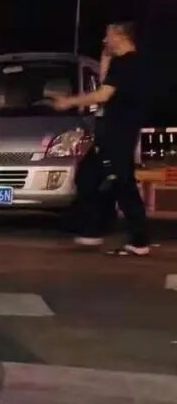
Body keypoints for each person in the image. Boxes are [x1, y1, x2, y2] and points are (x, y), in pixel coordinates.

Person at [52, 21, 153, 256]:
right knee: (88, 177)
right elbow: (106, 82)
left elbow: (103, 94)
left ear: (121, 36)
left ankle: (139, 241)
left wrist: (69, 101)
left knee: (123, 185)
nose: (105, 40)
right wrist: (105, 56)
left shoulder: (128, 63)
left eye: (109, 36)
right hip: (110, 134)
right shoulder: (124, 63)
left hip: (118, 135)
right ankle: (92, 231)